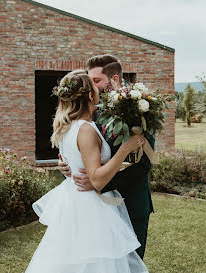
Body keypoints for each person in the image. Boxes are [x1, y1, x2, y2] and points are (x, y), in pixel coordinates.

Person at [25, 70, 148, 273]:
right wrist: (125, 149)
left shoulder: (69, 126)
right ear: (90, 96)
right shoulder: (86, 130)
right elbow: (97, 179)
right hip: (91, 208)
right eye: (94, 86)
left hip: (75, 203)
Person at [58, 54, 155, 259]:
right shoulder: (91, 112)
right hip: (97, 209)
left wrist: (98, 183)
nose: (91, 87)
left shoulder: (139, 110)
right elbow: (82, 149)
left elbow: (143, 164)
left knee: (130, 264)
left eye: (96, 81)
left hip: (131, 202)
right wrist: (66, 164)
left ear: (115, 80)